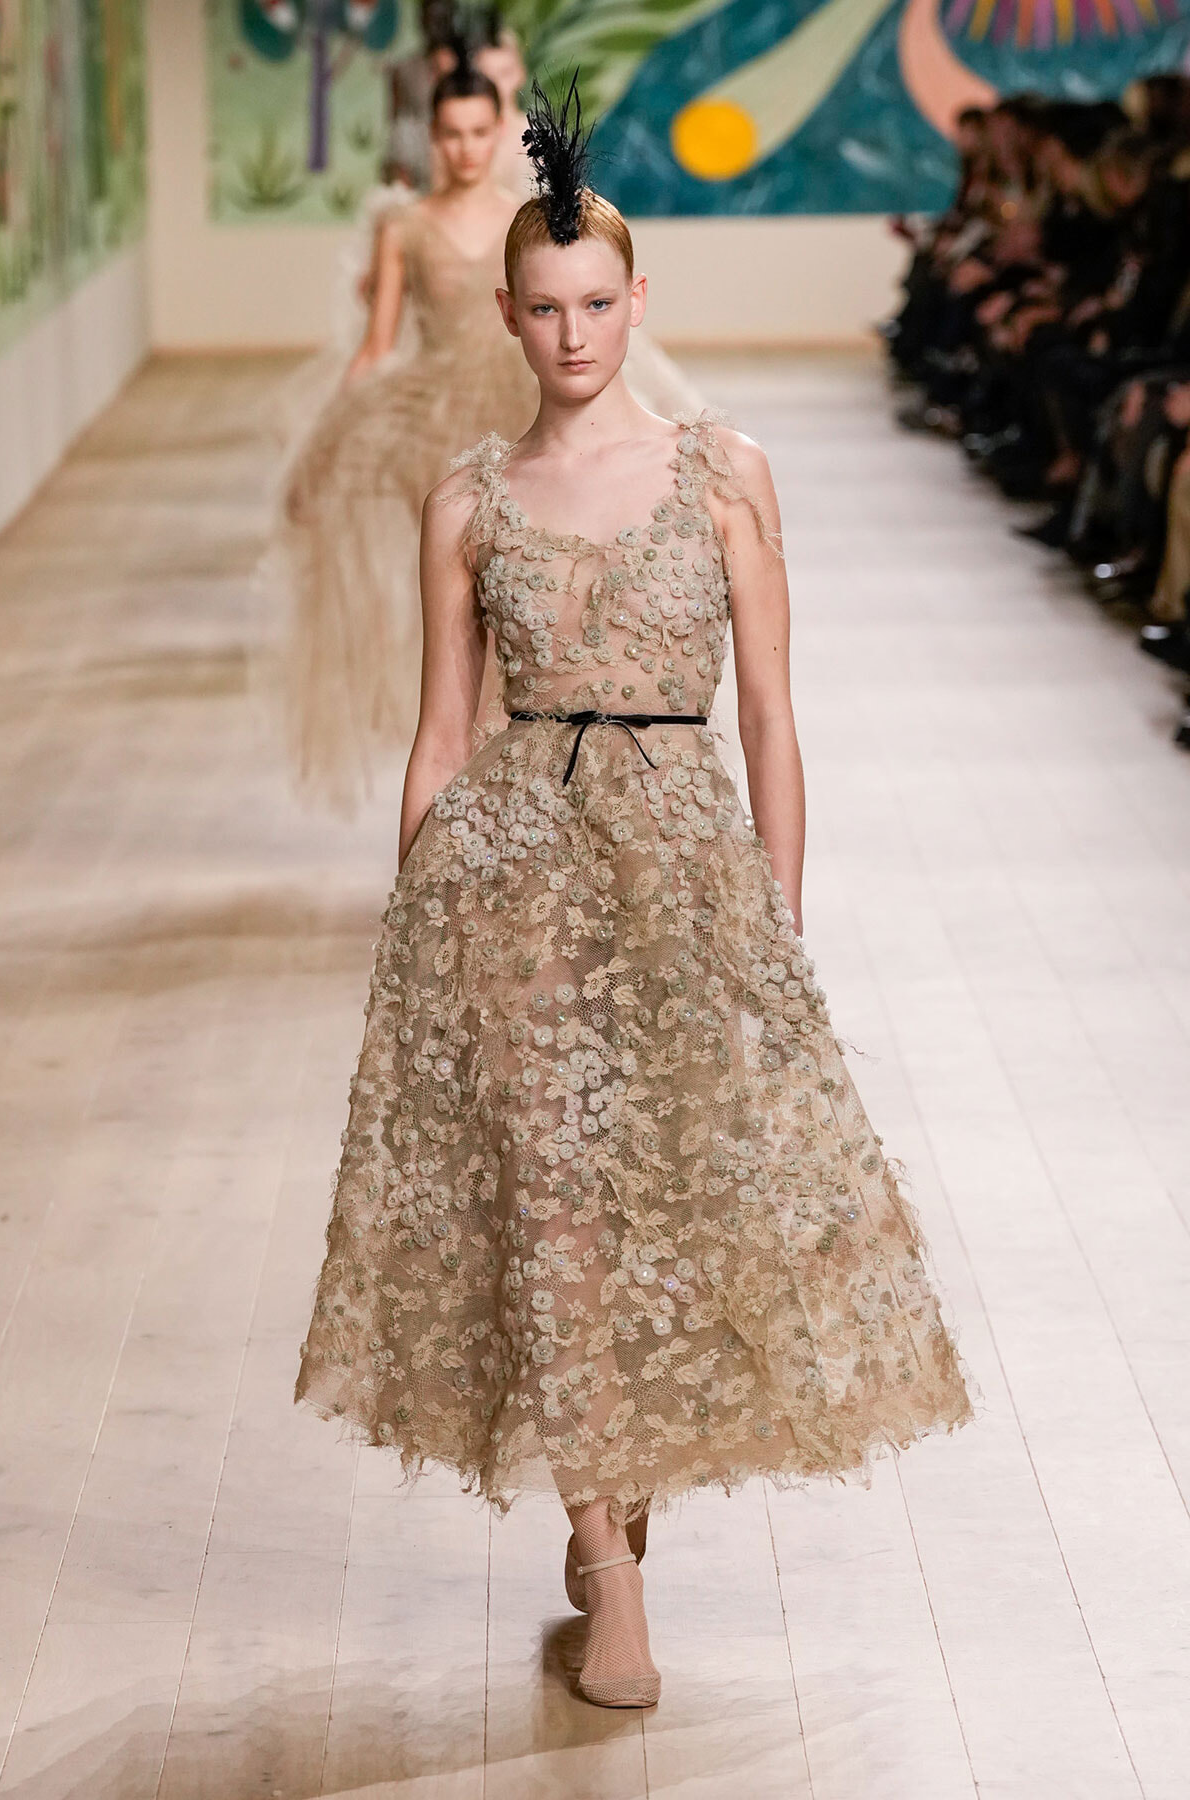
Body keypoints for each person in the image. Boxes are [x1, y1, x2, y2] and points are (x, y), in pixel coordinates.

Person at [296, 82, 971, 1712]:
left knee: (673, 1204)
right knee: (560, 1210)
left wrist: (781, 920)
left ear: (637, 303)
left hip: (682, 859)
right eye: (547, 309)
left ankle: (620, 1509)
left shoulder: (725, 473)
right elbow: (443, 734)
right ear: (514, 318)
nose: (575, 332)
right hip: (515, 874)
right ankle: (610, 1582)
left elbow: (770, 716)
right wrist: (416, 942)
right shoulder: (465, 497)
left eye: (600, 304)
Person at [274, 65, 538, 813]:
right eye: (451, 134)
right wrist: (321, 450)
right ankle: (472, 774)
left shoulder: (529, 216)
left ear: (498, 134)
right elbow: (376, 344)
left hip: (517, 407)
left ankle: (506, 763)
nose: (465, 149)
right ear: (432, 138)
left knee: (520, 585)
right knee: (462, 596)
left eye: (479, 133)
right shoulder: (405, 227)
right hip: (434, 420)